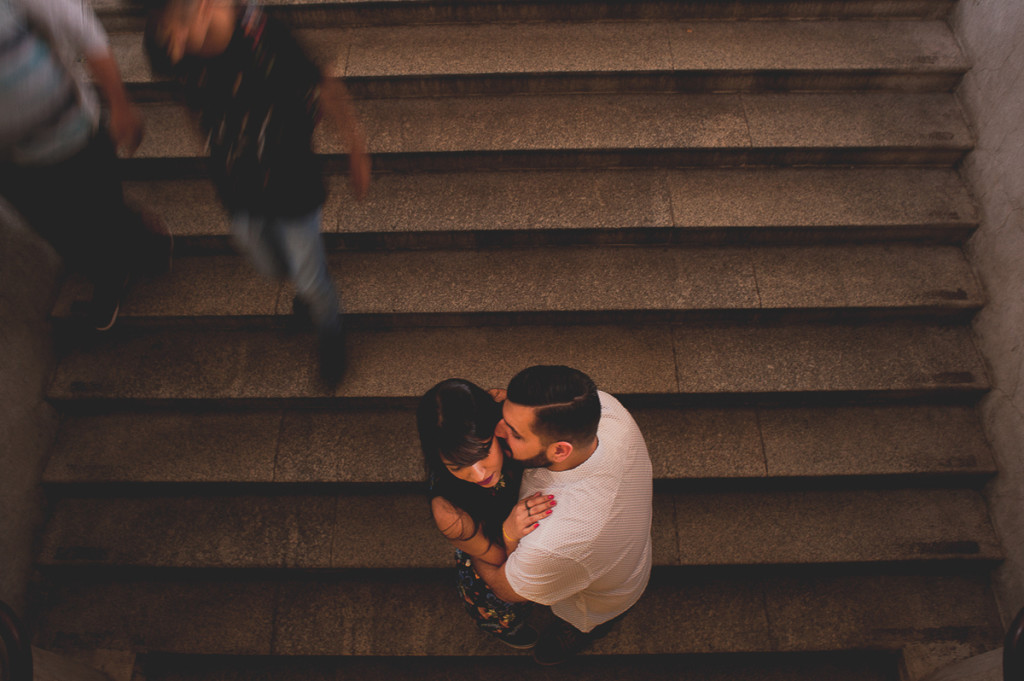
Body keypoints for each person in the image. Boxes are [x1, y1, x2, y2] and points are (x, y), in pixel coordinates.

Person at [144, 0, 371, 385]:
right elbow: (185, 98)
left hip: (290, 181)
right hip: (237, 185)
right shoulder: (170, 46)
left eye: (177, 32)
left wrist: (355, 146)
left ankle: (331, 335)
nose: (177, 48)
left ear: (200, 7)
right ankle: (305, 287)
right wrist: (204, 142)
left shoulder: (264, 34)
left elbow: (323, 82)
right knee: (268, 264)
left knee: (311, 277)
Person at [0, 0, 170, 331]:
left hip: (73, 132)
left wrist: (120, 105)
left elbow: (85, 31)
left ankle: (137, 245)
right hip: (11, 160)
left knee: (101, 210)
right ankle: (110, 265)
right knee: (55, 228)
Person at [474, 365, 653, 665]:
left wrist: (481, 536)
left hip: (600, 595)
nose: (497, 430)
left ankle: (582, 632)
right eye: (504, 417)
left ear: (559, 451)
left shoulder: (557, 540)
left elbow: (503, 588)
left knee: (585, 619)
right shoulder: (605, 408)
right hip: (626, 546)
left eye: (514, 433)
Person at [417, 378, 557, 650]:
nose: (479, 474)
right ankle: (509, 631)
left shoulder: (505, 419)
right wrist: (509, 532)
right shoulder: (450, 514)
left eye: (483, 451)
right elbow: (498, 560)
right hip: (489, 554)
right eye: (457, 466)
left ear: (497, 427)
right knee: (505, 615)